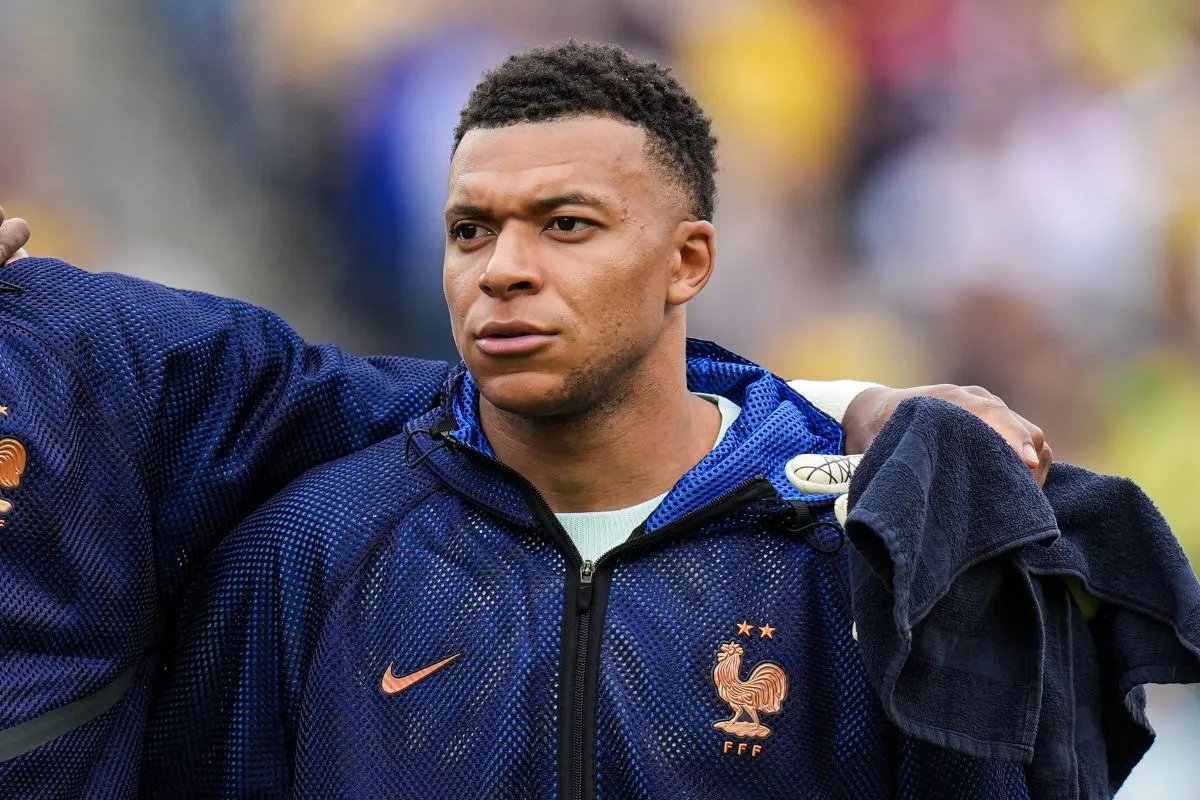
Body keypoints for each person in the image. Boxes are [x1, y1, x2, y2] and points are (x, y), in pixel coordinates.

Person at [82, 41, 1065, 798]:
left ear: (687, 261)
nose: (502, 269)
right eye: (471, 230)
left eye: (566, 225)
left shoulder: (860, 550)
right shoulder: (308, 553)